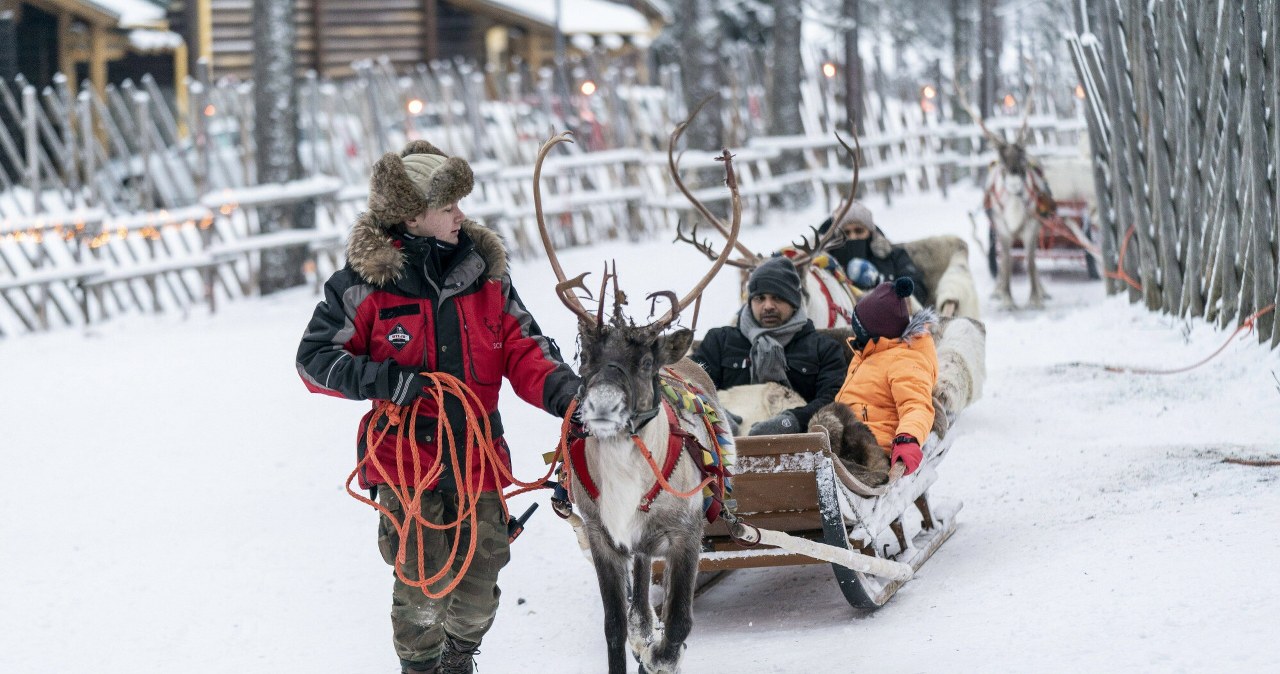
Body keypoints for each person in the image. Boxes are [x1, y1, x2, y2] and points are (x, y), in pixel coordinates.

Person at [296, 140, 579, 674]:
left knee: (479, 585)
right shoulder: (363, 286)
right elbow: (314, 360)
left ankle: (460, 658)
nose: (461, 215)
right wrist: (385, 381)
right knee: (422, 585)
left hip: (479, 454)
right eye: (449, 206)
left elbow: (525, 350)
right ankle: (421, 667)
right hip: (407, 458)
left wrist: (571, 398)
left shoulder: (486, 276)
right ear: (413, 215)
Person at [690, 257, 846, 436]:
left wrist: (792, 421)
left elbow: (832, 400)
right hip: (724, 447)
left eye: (777, 298)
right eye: (760, 298)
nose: (768, 306)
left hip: (798, 447)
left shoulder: (823, 349)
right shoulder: (720, 341)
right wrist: (716, 416)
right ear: (750, 302)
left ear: (794, 301)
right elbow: (690, 385)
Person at [832, 277, 938, 475]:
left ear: (875, 333)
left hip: (872, 450)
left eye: (859, 328)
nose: (855, 333)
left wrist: (908, 439)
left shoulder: (905, 361)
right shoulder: (866, 353)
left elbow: (916, 405)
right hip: (847, 440)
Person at [819, 201, 927, 303]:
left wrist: (887, 291)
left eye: (859, 231)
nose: (853, 237)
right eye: (846, 233)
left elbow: (917, 289)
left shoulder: (893, 255)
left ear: (870, 232)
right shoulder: (829, 263)